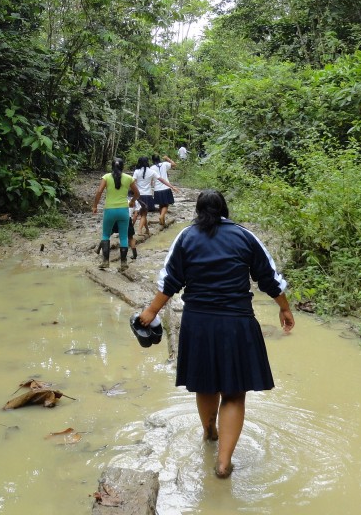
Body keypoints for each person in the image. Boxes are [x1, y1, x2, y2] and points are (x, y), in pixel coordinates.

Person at [137, 190, 295, 479]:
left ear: (198, 211)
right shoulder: (245, 237)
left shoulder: (185, 237)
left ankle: (209, 431)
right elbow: (269, 278)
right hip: (237, 323)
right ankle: (223, 463)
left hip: (198, 324)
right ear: (225, 210)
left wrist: (150, 313)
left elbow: (169, 281)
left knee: (206, 386)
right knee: (234, 395)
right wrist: (284, 309)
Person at [91, 158, 139, 270]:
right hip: (123, 210)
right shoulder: (128, 178)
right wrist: (132, 201)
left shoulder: (106, 177)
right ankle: (123, 263)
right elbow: (137, 193)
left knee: (106, 235)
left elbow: (99, 191)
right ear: (123, 167)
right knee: (123, 237)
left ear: (112, 167)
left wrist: (95, 205)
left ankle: (105, 262)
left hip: (110, 210)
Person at [151, 153, 179, 228]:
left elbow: (151, 180)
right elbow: (174, 164)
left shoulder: (151, 168)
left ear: (152, 160)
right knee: (166, 204)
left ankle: (162, 221)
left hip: (157, 189)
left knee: (161, 204)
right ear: (159, 159)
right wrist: (167, 158)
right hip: (166, 187)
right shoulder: (164, 164)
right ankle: (162, 216)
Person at [131, 156, 157, 237]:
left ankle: (147, 230)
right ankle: (139, 230)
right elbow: (157, 180)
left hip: (138, 195)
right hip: (148, 195)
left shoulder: (136, 171)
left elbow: (133, 182)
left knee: (141, 213)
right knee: (144, 214)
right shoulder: (151, 171)